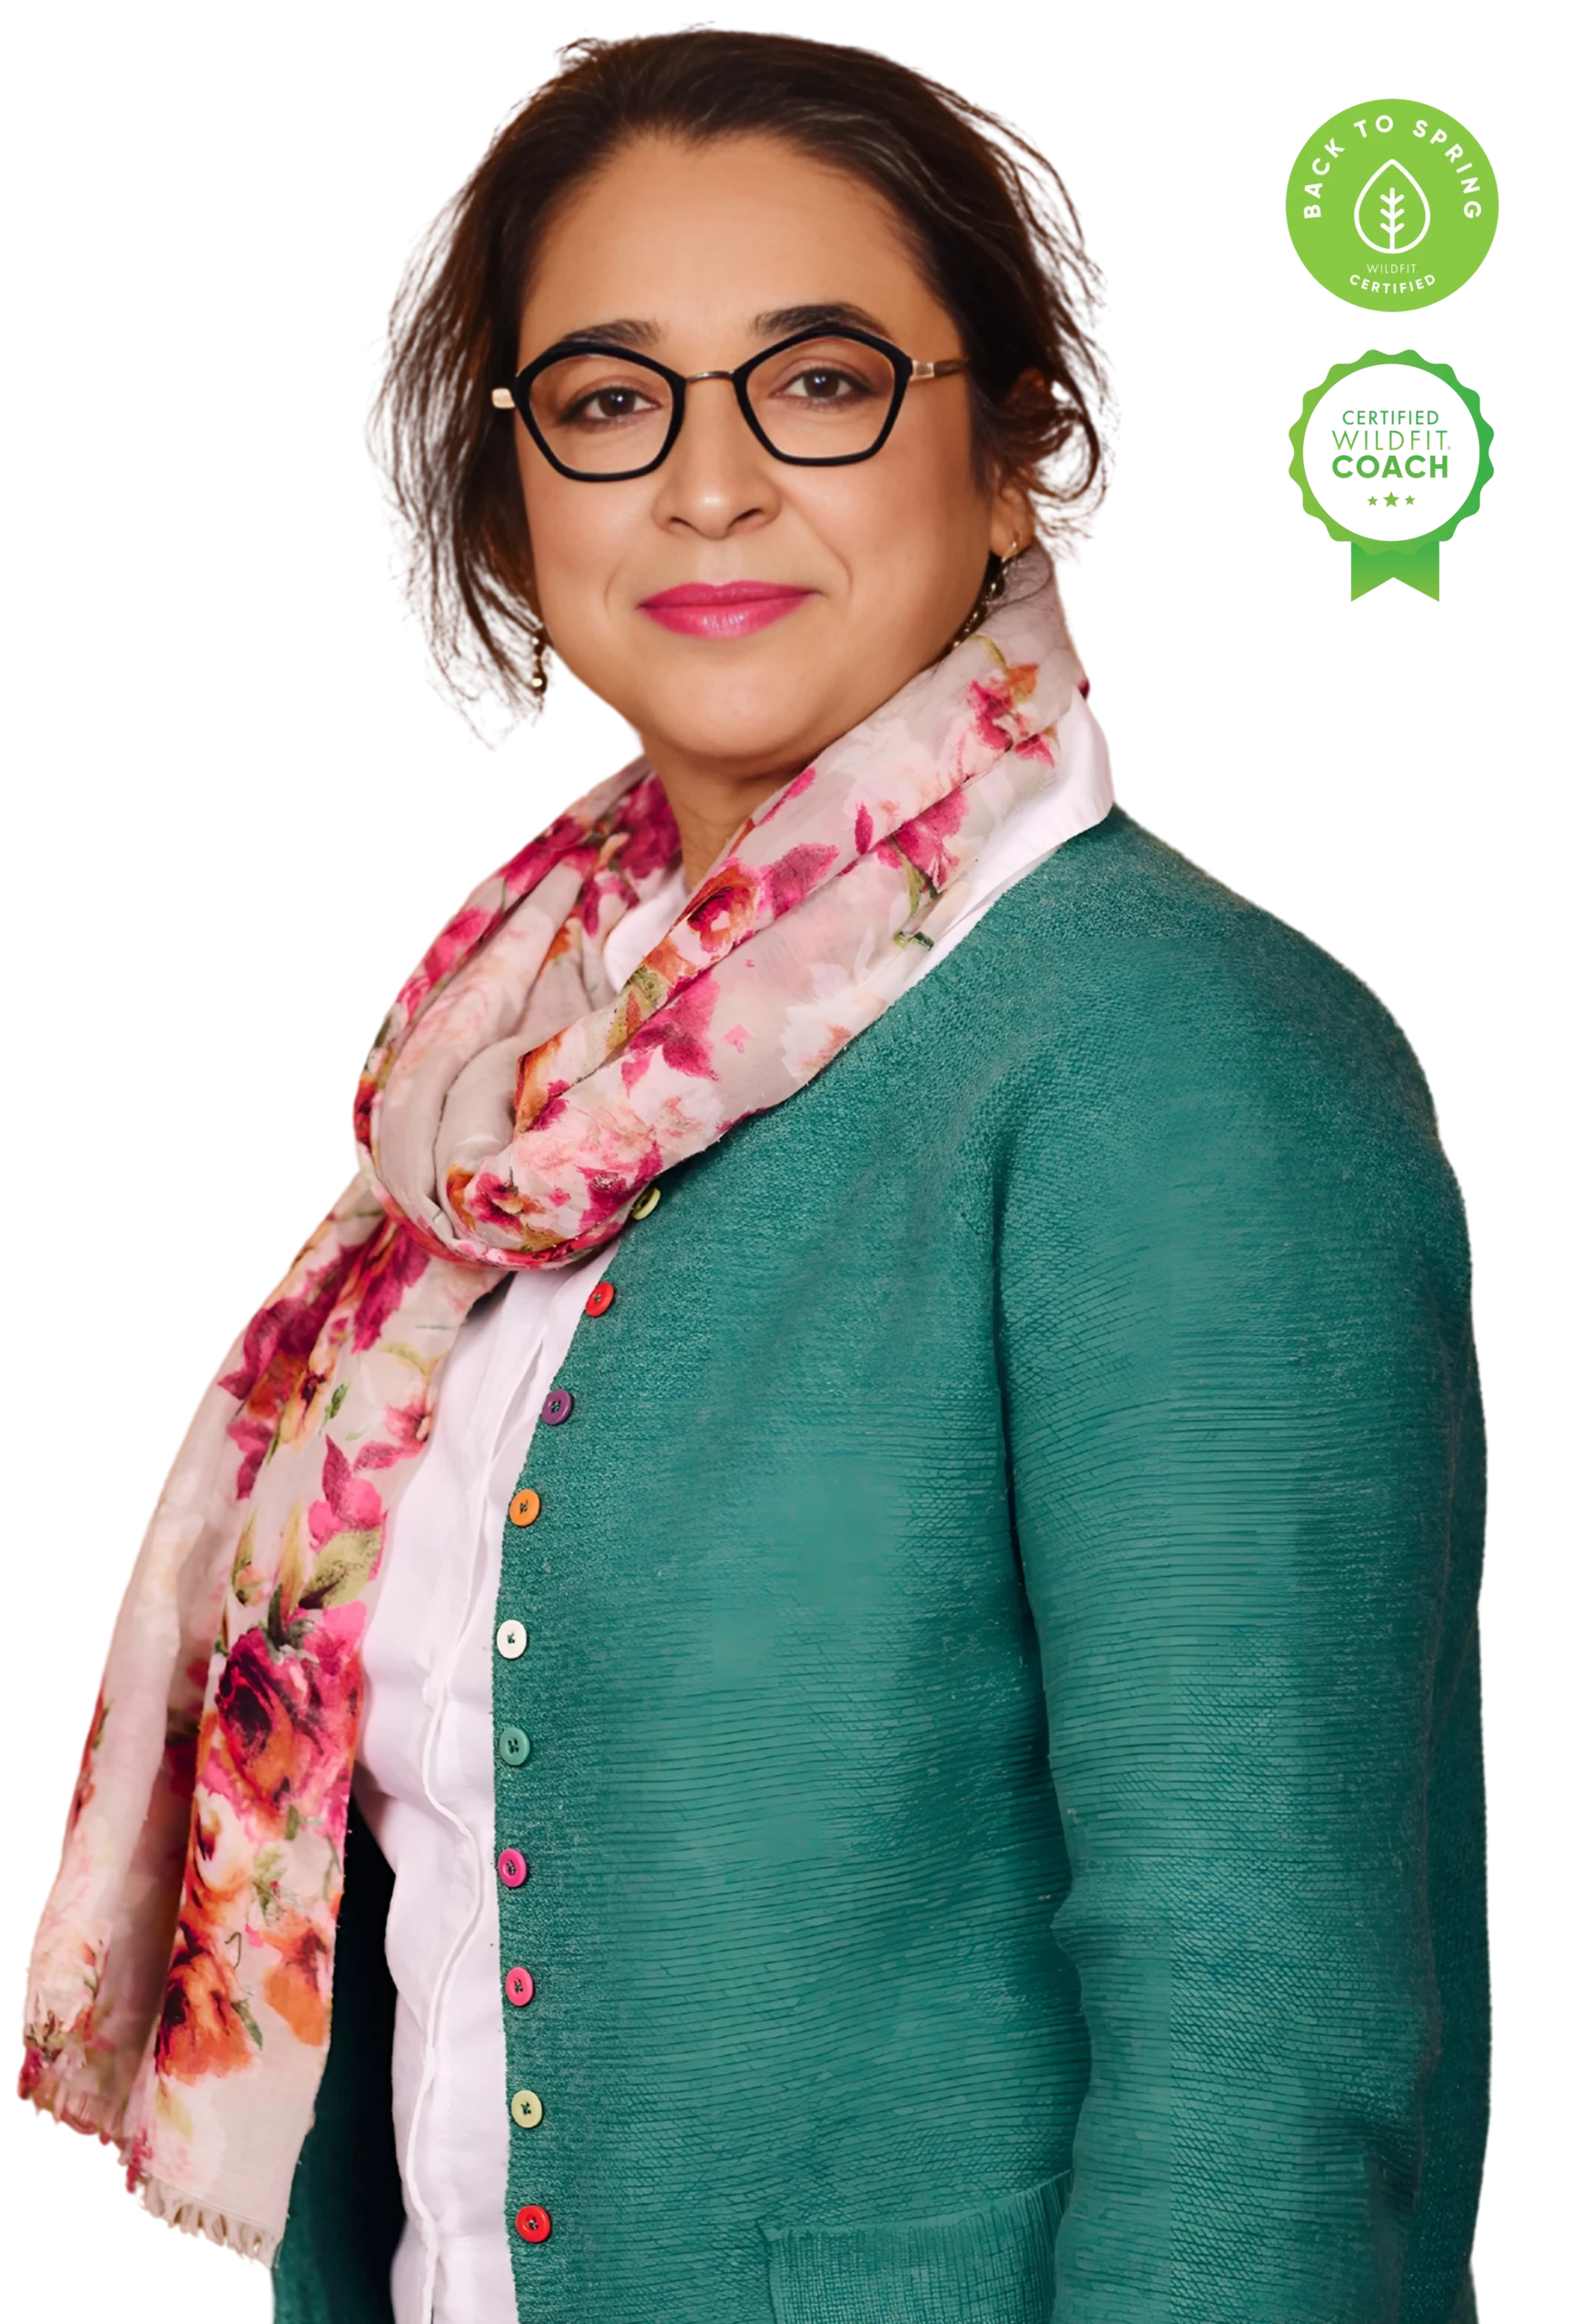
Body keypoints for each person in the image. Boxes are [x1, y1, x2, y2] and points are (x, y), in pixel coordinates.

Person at [18, 27, 1491, 2324]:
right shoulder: (492, 1110)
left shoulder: (1178, 1060)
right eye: (611, 402)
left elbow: (1260, 2053)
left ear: (1016, 461)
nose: (707, 487)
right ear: (516, 497)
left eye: (819, 384)